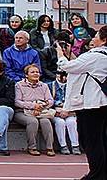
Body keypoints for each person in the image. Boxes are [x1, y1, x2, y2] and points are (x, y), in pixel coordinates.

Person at [56, 25, 107, 180]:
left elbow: (68, 67)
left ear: (104, 40)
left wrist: (60, 54)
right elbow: (81, 66)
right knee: (99, 139)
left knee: (91, 141)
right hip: (99, 103)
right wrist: (69, 54)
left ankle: (97, 175)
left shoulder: (96, 56)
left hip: (91, 103)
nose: (93, 38)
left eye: (97, 35)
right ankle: (100, 173)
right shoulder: (100, 56)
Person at [13, 63, 55, 156]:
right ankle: (32, 147)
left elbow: (50, 101)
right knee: (33, 121)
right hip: (22, 112)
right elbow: (17, 102)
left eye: (37, 72)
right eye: (32, 72)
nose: (36, 74)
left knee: (45, 121)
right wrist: (33, 106)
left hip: (41, 111)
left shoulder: (44, 86)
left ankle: (50, 147)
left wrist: (40, 107)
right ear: (26, 75)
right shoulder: (19, 85)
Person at [49, 70, 80, 155]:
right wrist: (57, 110)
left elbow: (76, 100)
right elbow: (47, 100)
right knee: (60, 123)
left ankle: (75, 145)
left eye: (65, 74)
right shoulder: (50, 85)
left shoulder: (73, 86)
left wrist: (67, 110)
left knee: (71, 122)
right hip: (55, 112)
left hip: (70, 111)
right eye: (60, 74)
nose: (63, 77)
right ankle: (63, 145)